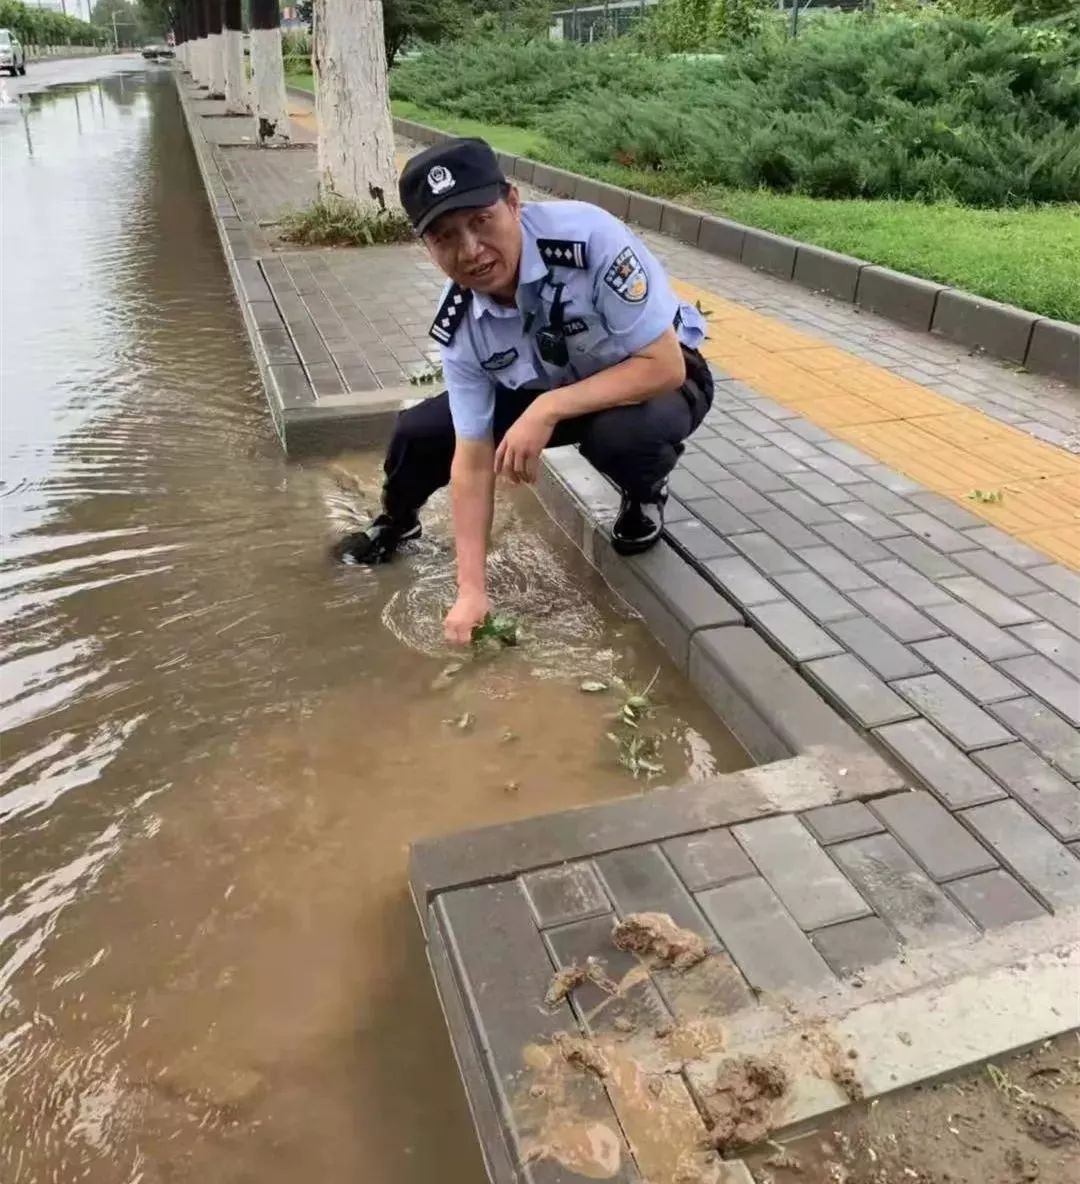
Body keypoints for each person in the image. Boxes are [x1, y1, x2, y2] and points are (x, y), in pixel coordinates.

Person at [336, 137, 714, 644]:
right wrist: (472, 589)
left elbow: (664, 367)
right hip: (550, 388)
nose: (470, 251)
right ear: (427, 248)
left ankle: (644, 493)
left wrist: (548, 408)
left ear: (513, 203)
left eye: (481, 221)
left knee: (625, 436)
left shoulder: (589, 240)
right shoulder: (461, 325)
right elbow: (472, 460)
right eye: (445, 237)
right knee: (420, 431)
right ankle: (397, 520)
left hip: (647, 373)